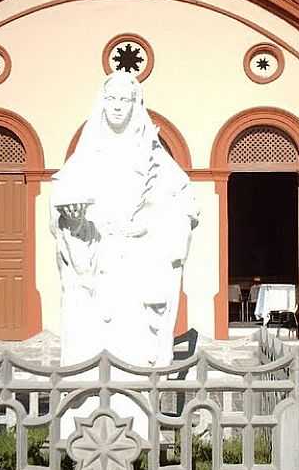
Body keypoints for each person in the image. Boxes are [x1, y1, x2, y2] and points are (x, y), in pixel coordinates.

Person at [50, 72, 199, 369]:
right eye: (111, 99)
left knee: (132, 351)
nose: (117, 106)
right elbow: (60, 202)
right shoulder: (86, 155)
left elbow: (185, 204)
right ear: (102, 102)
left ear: (135, 104)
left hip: (135, 266)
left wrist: (151, 227)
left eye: (124, 100)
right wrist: (72, 220)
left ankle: (134, 406)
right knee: (90, 347)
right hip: (93, 265)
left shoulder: (153, 157)